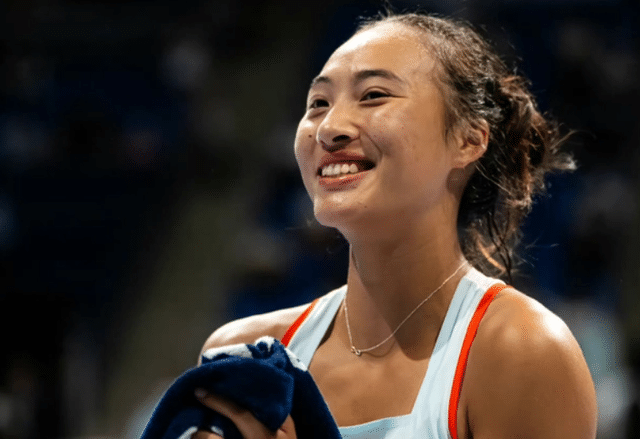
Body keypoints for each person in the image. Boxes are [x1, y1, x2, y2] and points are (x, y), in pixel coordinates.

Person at [192, 11, 597, 439]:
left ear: (468, 139)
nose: (329, 128)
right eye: (318, 103)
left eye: (373, 96)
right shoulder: (244, 356)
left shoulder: (523, 352)